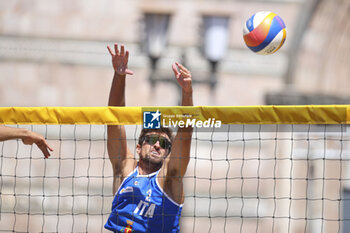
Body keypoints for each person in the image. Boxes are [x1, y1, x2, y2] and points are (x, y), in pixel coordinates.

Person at [104, 43, 193, 233]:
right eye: (152, 140)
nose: (158, 146)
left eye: (165, 144)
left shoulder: (169, 178)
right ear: (138, 147)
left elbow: (185, 136)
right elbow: (114, 120)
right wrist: (119, 76)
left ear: (168, 152)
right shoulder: (125, 168)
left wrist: (187, 93)